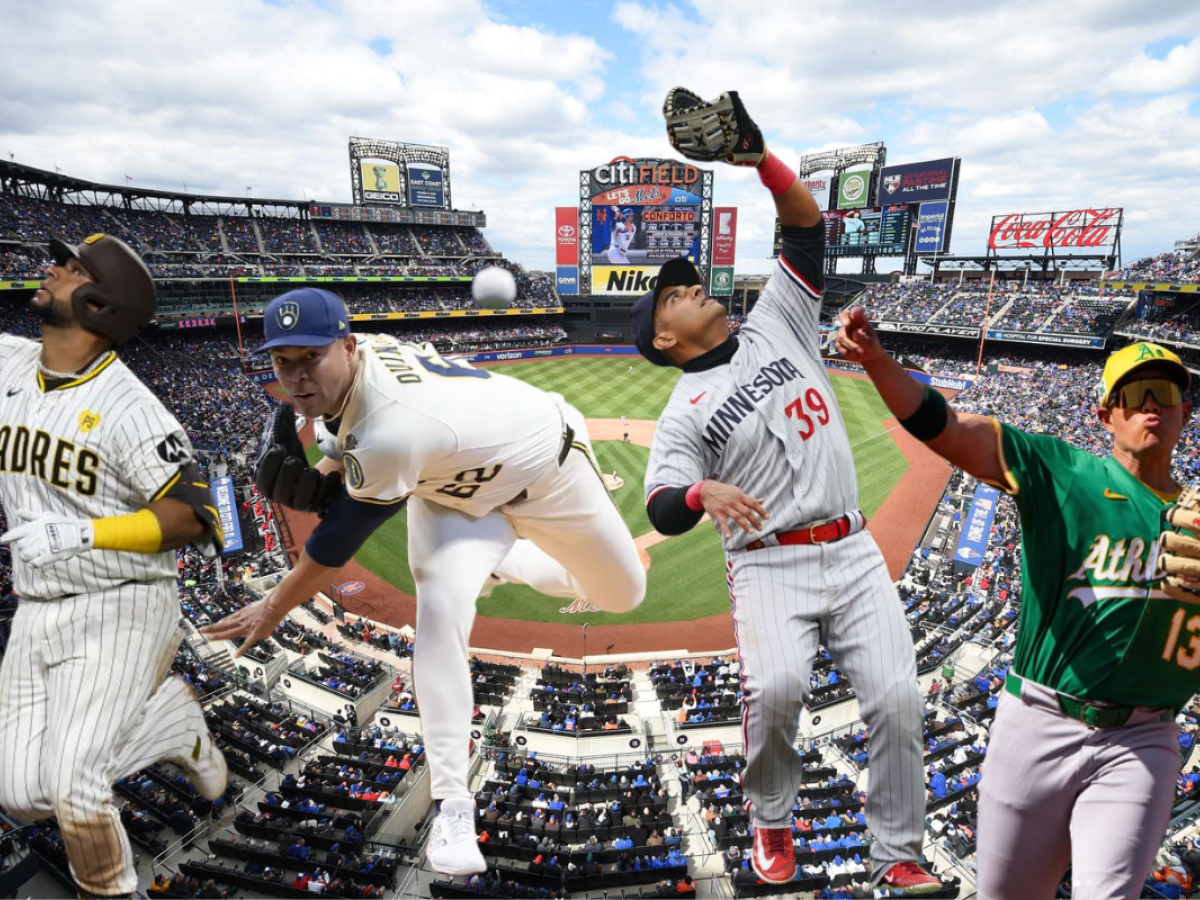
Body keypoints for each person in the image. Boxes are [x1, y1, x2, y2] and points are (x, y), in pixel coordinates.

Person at [201, 288, 645, 877]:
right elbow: (338, 442)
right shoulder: (364, 370)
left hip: (547, 471)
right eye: (284, 362)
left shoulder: (390, 432)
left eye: (311, 357)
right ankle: (453, 800)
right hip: (452, 495)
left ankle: (503, 560)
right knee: (438, 610)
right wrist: (326, 468)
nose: (298, 376)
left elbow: (331, 549)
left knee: (624, 593)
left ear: (348, 347)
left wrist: (270, 610)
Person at [635, 88, 939, 894]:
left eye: (686, 281)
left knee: (900, 699)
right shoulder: (679, 412)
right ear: (666, 337)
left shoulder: (777, 318)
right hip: (768, 566)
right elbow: (659, 505)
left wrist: (759, 160)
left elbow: (807, 229)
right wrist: (701, 496)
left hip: (852, 545)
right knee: (773, 692)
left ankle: (898, 852)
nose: (690, 285)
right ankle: (770, 820)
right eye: (673, 294)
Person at [835, 316, 1198, 899]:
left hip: (1144, 739)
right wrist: (878, 361)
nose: (1153, 406)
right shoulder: (1063, 470)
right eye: (1135, 395)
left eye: (1169, 394)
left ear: (1185, 411)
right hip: (1038, 720)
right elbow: (951, 429)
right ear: (1105, 415)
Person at [0, 233, 227, 899]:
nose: (52, 271)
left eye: (71, 270)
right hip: (39, 605)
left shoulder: (133, 410)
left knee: (75, 788)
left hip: (123, 602)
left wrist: (85, 533)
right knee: (17, 792)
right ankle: (173, 725)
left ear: (101, 304)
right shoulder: (9, 365)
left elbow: (197, 515)